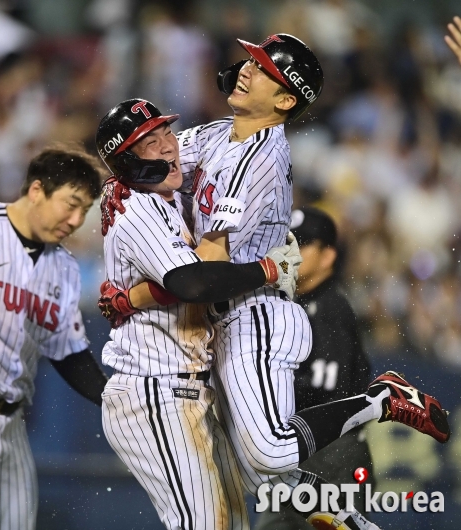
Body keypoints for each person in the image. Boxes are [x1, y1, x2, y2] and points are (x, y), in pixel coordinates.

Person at [99, 34, 450, 530]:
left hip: (253, 312)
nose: (246, 69)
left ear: (285, 100)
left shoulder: (259, 159)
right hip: (222, 319)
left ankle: (382, 398)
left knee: (270, 453)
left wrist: (134, 293)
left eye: (263, 69)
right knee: (260, 475)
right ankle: (352, 521)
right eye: (251, 60)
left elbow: (204, 269)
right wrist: (117, 179)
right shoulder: (222, 133)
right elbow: (152, 162)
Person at [95, 99, 302, 530]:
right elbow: (193, 283)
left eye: (166, 132)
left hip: (186, 388)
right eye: (149, 142)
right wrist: (266, 269)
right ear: (127, 161)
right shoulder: (137, 205)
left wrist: (130, 298)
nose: (168, 145)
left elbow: (180, 282)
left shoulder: (171, 195)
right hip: (154, 390)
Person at [0, 145, 109, 530]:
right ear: (37, 190)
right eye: (70, 203)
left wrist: (114, 400)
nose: (76, 220)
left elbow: (69, 355)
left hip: (11, 426)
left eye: (85, 210)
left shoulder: (64, 269)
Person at [254, 205, 376, 530]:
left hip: (333, 450)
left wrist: (261, 389)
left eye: (305, 244)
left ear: (327, 256)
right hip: (299, 447)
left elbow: (327, 390)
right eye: (289, 242)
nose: (293, 251)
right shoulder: (289, 302)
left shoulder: (331, 307)